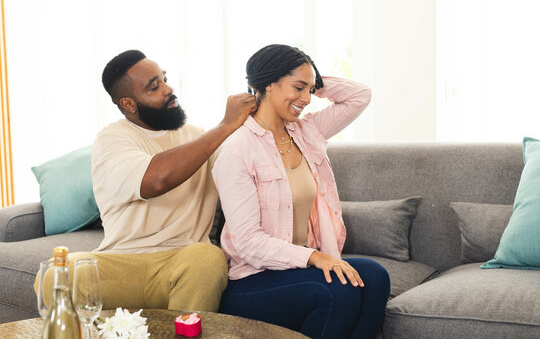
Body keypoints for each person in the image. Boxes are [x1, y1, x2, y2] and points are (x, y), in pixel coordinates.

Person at [36, 49, 257, 312]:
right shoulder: (112, 139)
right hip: (121, 264)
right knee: (57, 273)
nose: (168, 89)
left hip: (181, 260)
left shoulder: (197, 137)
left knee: (207, 258)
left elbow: (250, 155)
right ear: (128, 104)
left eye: (164, 79)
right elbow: (156, 180)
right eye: (154, 87)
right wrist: (224, 126)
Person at [212, 44, 390, 339]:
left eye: (311, 89)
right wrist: (315, 258)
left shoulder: (306, 131)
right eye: (299, 87)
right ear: (268, 83)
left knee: (374, 277)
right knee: (336, 293)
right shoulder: (237, 148)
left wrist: (314, 79)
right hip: (254, 278)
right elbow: (246, 242)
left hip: (297, 271)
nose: (306, 99)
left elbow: (360, 96)